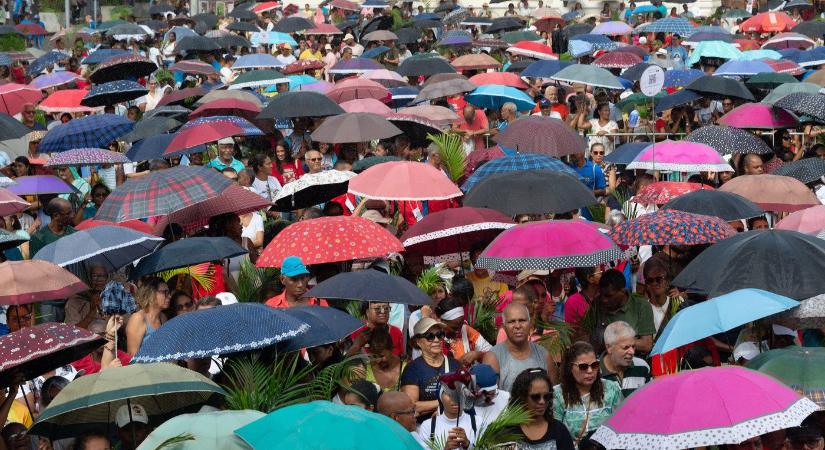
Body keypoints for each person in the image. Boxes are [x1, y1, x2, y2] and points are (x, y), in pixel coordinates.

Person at [553, 341, 623, 445]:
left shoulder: (611, 389)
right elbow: (555, 434)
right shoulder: (558, 394)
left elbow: (621, 426)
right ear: (570, 367)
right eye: (583, 366)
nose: (590, 371)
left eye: (594, 365)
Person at [483, 303, 558, 391]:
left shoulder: (544, 355)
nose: (518, 326)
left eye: (522, 320)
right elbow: (491, 397)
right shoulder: (493, 358)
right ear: (504, 326)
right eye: (512, 321)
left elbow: (554, 394)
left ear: (530, 324)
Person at [400, 318, 461, 424]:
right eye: (430, 336)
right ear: (418, 342)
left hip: (452, 425)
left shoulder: (454, 365)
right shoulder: (412, 369)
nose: (436, 340)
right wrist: (443, 403)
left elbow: (464, 396)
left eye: (440, 335)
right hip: (423, 427)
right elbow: (411, 406)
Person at [508, 368, 575, 450]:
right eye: (536, 397)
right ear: (522, 397)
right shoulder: (507, 431)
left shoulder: (559, 430)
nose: (542, 401)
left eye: (547, 396)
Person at [594, 269, 655, 354]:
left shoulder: (640, 306)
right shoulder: (596, 304)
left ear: (622, 291)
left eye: (609, 296)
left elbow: (646, 345)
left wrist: (615, 341)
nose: (604, 300)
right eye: (601, 295)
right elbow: (585, 336)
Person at [416, 374, 475, 450]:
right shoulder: (428, 426)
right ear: (440, 397)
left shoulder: (478, 423)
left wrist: (467, 444)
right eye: (449, 394)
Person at [435, 296, 492, 366]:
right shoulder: (433, 338)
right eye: (454, 328)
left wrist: (478, 354)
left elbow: (492, 352)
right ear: (441, 321)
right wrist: (458, 364)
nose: (458, 331)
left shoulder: (466, 329)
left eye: (461, 325)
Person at [599, 321, 651, 397]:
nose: (632, 352)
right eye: (625, 347)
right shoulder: (594, 372)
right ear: (609, 347)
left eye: (633, 346)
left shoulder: (642, 367)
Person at [125, 277, 170, 356]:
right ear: (151, 293)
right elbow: (132, 356)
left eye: (168, 292)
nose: (169, 296)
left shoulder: (163, 317)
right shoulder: (138, 318)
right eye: (165, 292)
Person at [360, 327, 406, 391]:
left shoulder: (406, 369)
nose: (378, 361)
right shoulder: (364, 370)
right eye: (375, 356)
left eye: (382, 356)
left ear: (391, 349)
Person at [64, 263, 108, 328]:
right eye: (94, 276)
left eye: (102, 276)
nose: (99, 280)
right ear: (88, 279)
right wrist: (92, 311)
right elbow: (73, 330)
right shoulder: (73, 303)